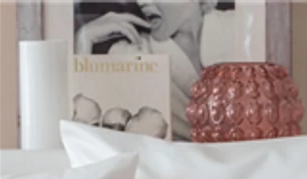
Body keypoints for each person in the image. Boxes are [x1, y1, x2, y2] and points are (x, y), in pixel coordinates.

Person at [74, 1, 235, 141]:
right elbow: (86, 118)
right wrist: (83, 40)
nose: (142, 1)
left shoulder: (237, 27)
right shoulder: (129, 55)